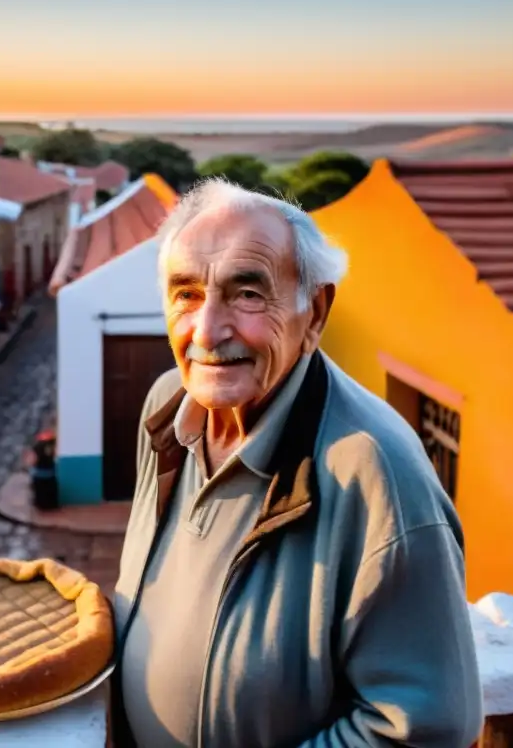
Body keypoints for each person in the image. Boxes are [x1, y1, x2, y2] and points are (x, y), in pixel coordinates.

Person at [110, 179, 483, 748]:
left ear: (316, 313)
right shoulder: (167, 407)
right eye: (185, 294)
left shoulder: (377, 474)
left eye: (247, 294)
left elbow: (422, 728)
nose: (207, 331)